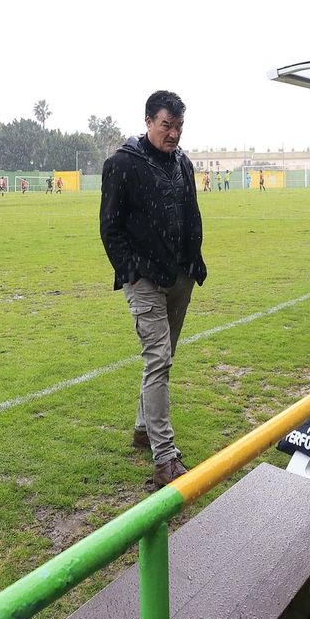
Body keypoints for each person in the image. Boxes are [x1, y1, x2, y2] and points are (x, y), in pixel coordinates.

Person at [100, 90, 207, 487]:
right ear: (148, 122)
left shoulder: (183, 163)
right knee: (159, 358)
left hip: (180, 274)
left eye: (179, 127)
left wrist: (195, 261)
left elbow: (191, 213)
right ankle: (165, 458)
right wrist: (130, 271)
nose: (174, 134)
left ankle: (144, 429)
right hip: (143, 279)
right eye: (166, 125)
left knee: (162, 359)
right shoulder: (123, 164)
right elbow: (109, 226)